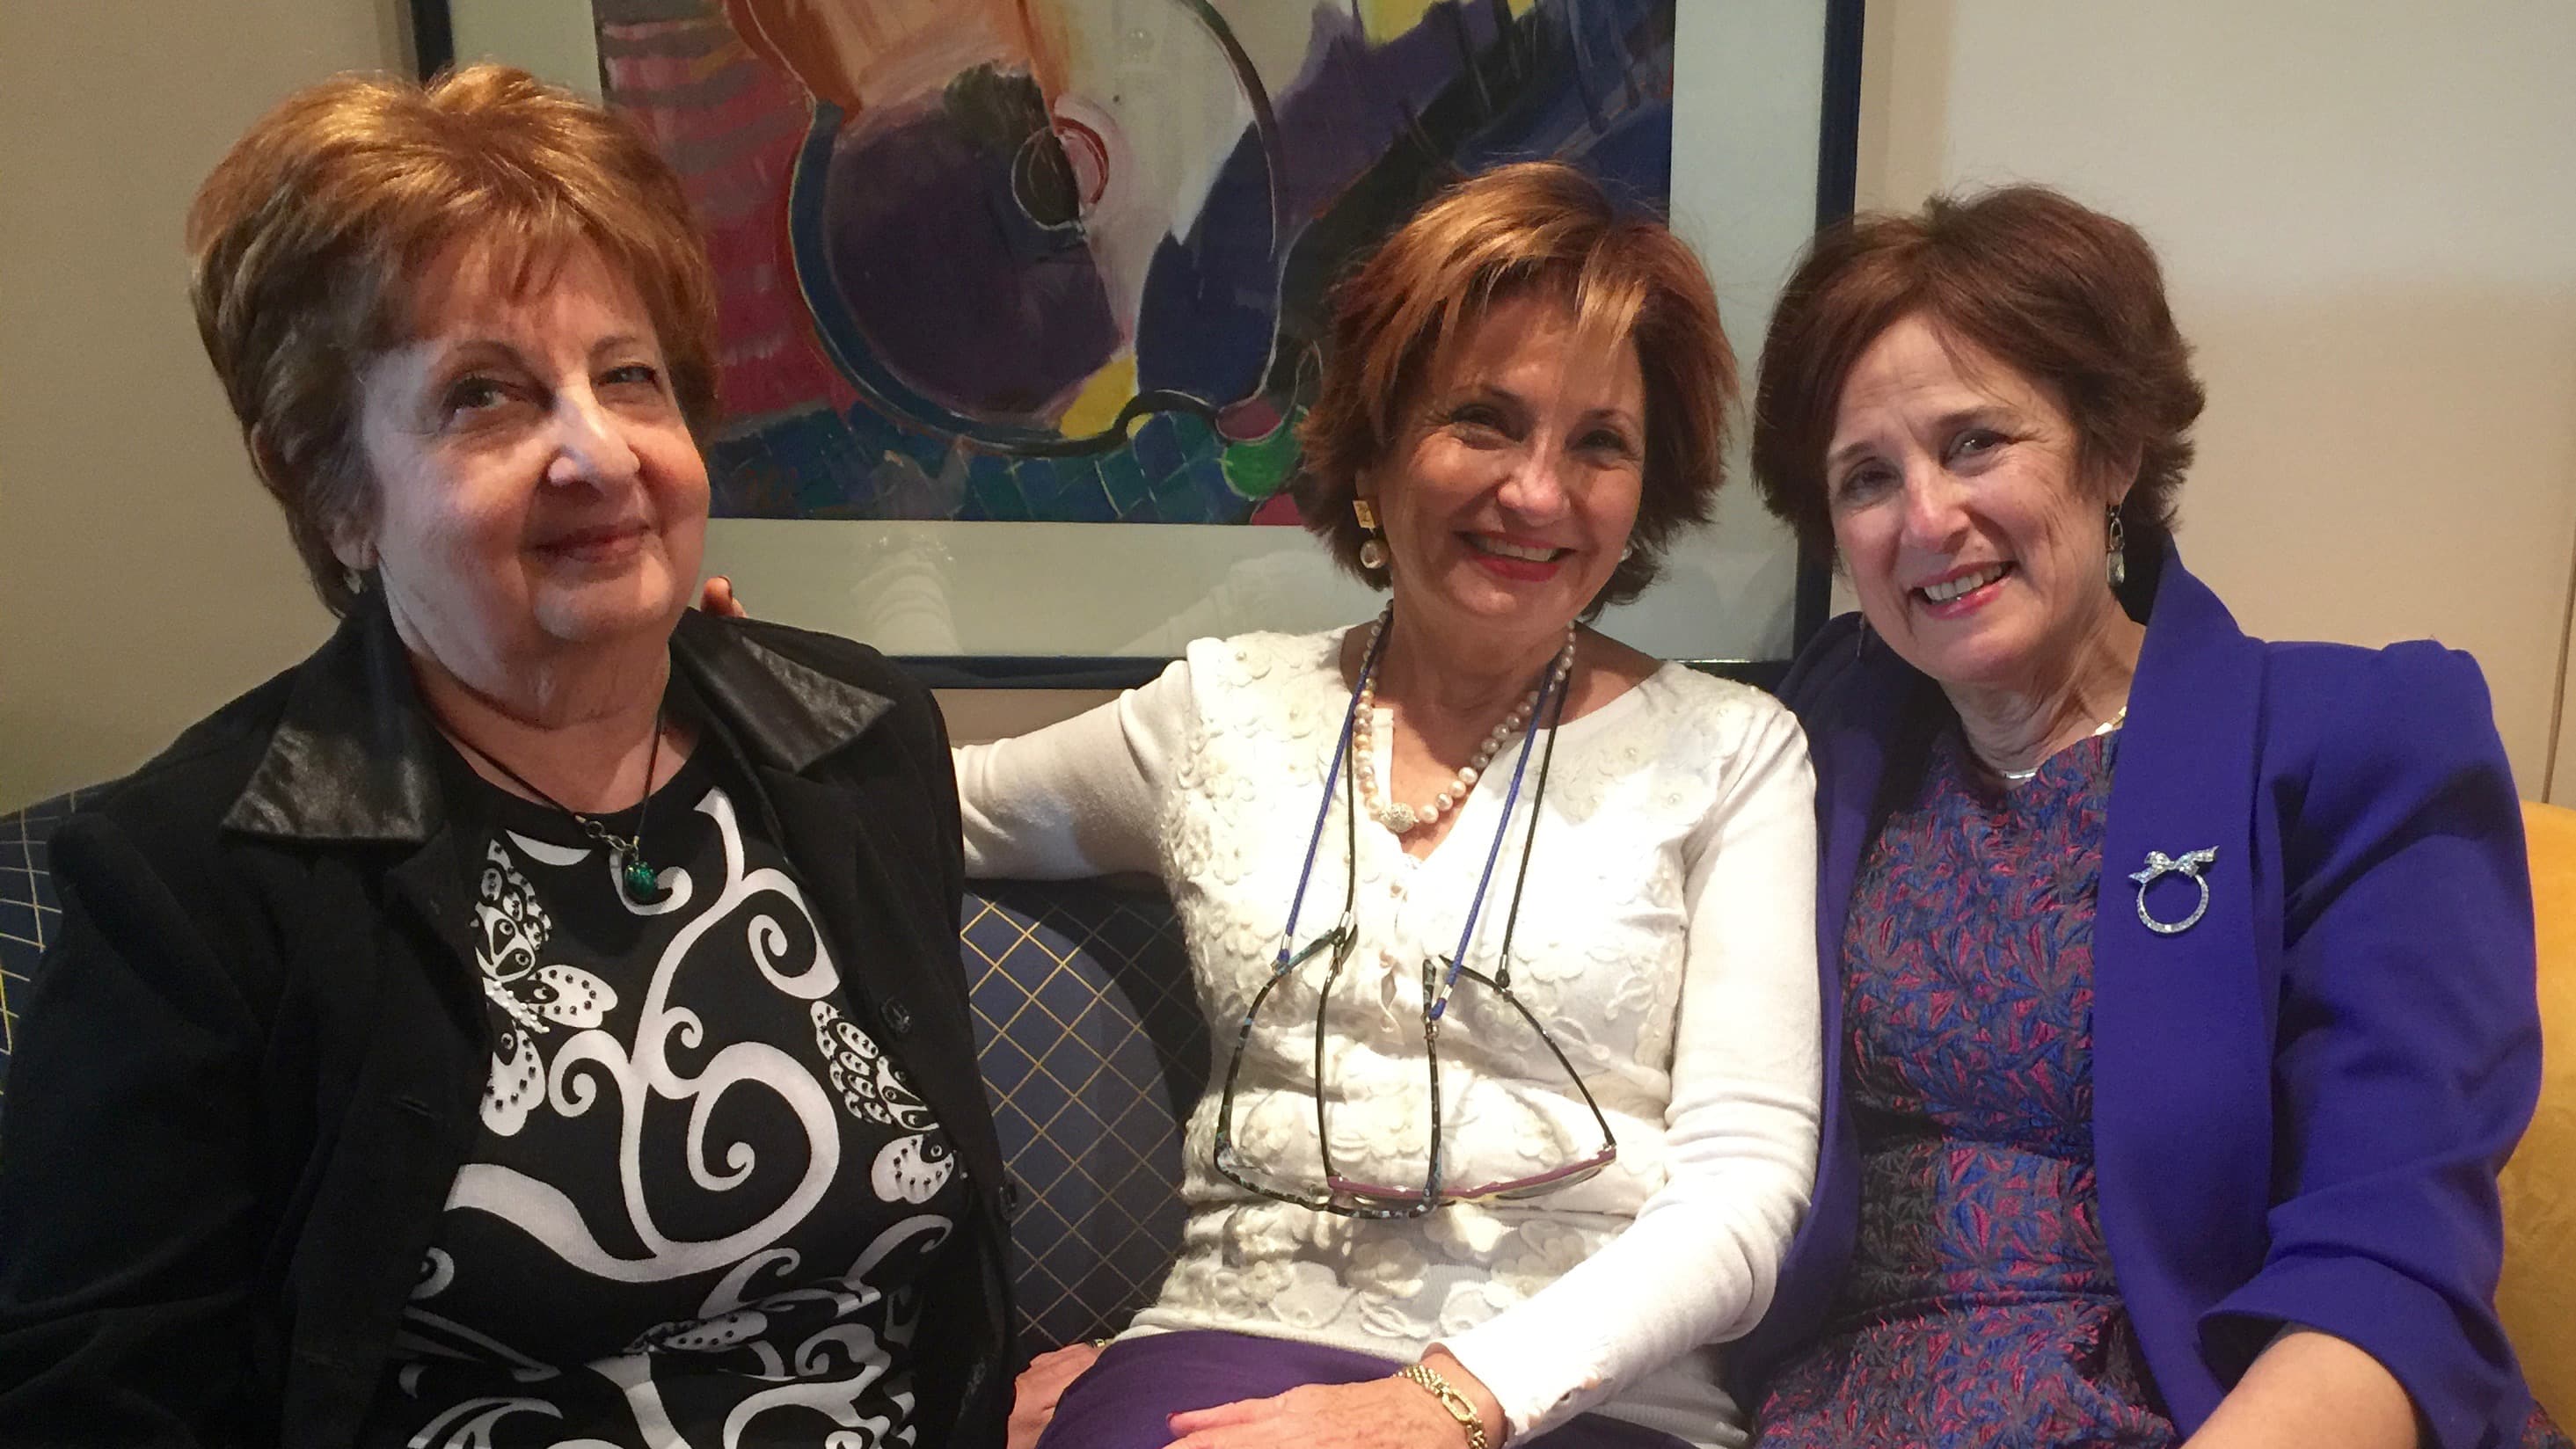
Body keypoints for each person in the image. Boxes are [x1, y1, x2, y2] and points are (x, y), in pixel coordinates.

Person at [0, 66, 1011, 1447]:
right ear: (330, 487)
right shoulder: (194, 879)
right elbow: (90, 1403)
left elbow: (943, 1283)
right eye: (484, 396)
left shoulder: (857, 745)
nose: (596, 452)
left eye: (630, 377)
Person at [957, 162, 1821, 1449]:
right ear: (1374, 442)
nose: (1535, 491)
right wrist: (687, 690)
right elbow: (903, 805)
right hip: (1220, 1362)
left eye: (1598, 442)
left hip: (1593, 1397)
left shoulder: (1733, 754)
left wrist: (1446, 1402)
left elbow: (1744, 1195)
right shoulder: (1219, 714)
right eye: (1482, 419)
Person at [1733, 184, 2569, 1449]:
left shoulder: (2355, 737)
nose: (1924, 520)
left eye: (1974, 444)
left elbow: (2388, 1259)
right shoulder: (1818, 739)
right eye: (1865, 477)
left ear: (2111, 448)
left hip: (2192, 1410)